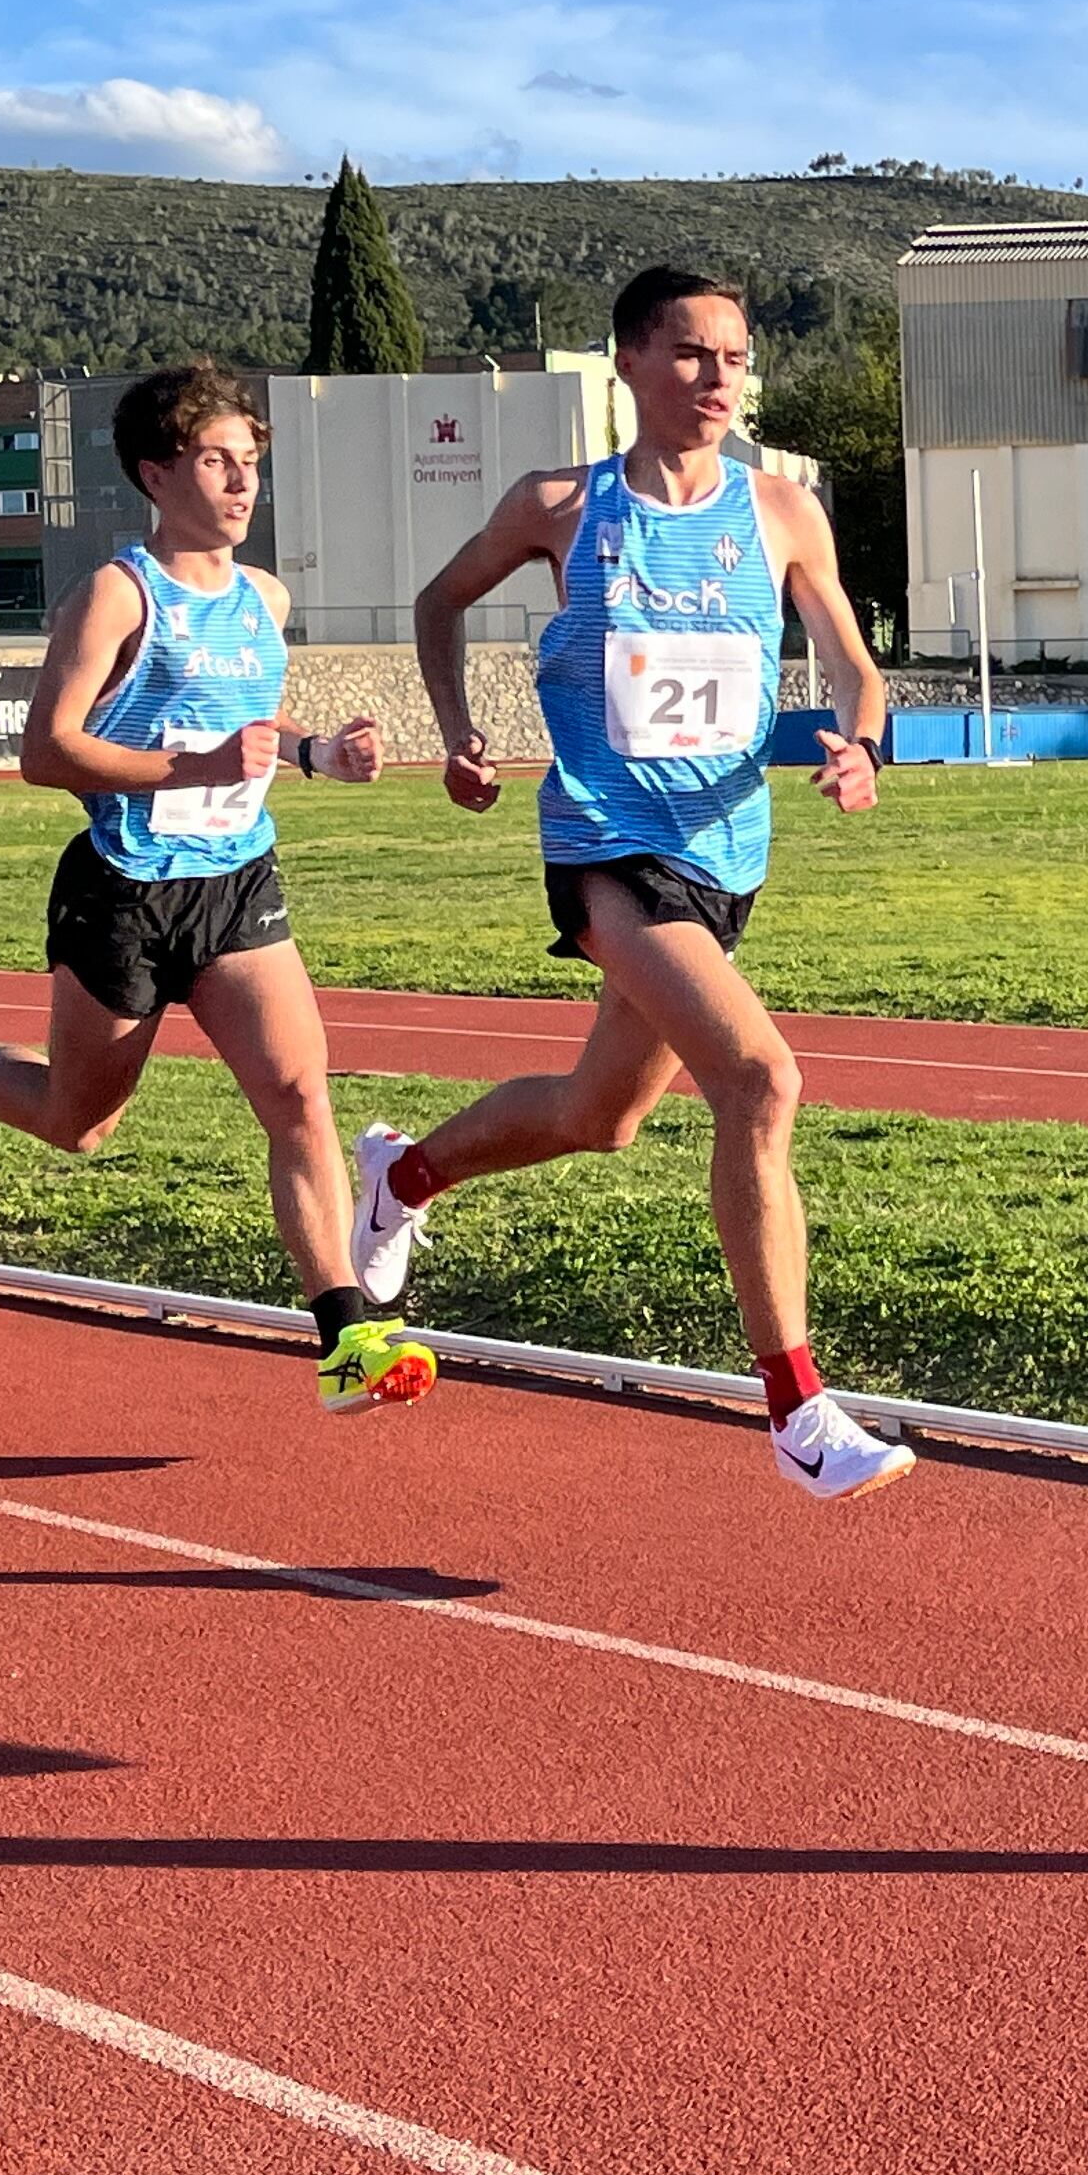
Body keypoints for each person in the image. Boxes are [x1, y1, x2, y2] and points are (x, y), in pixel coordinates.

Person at [344, 264, 909, 1498]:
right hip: (608, 846)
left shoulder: (781, 513)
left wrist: (864, 748)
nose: (720, 378)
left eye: (738, 357)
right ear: (631, 367)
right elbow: (440, 602)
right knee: (761, 1080)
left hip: (726, 854)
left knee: (602, 1114)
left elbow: (855, 666)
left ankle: (403, 1174)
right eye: (695, 354)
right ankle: (799, 1411)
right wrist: (455, 730)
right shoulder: (563, 504)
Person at [0, 362, 437, 1415]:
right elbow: (46, 749)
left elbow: (253, 728)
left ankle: (347, 1331)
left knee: (301, 1096)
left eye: (251, 461)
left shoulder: (265, 596)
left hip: (235, 882)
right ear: (155, 471)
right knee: (79, 1122)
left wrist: (317, 755)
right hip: (123, 892)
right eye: (217, 460)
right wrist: (197, 769)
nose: (240, 481)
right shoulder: (119, 594)